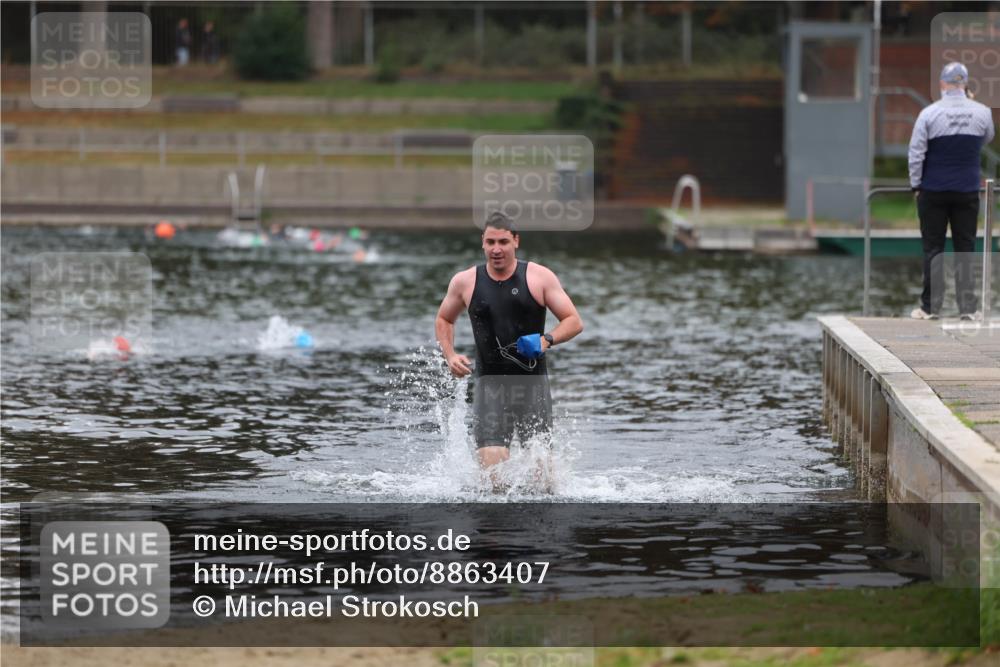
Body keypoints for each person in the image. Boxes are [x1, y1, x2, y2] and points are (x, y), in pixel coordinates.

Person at [435, 212, 583, 488]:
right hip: (490, 385)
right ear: (482, 243)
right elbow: (444, 319)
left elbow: (574, 321)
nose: (496, 249)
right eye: (490, 242)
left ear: (516, 241)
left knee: (543, 482)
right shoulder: (465, 282)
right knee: (494, 481)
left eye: (503, 241)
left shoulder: (539, 277)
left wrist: (546, 340)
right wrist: (450, 355)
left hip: (533, 385)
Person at [908, 62, 995, 321]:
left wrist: (916, 184)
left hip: (933, 190)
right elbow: (986, 138)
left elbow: (916, 153)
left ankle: (930, 308)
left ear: (943, 84)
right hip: (967, 190)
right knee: (965, 248)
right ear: (966, 84)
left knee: (933, 249)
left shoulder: (929, 114)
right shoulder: (983, 113)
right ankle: (967, 309)